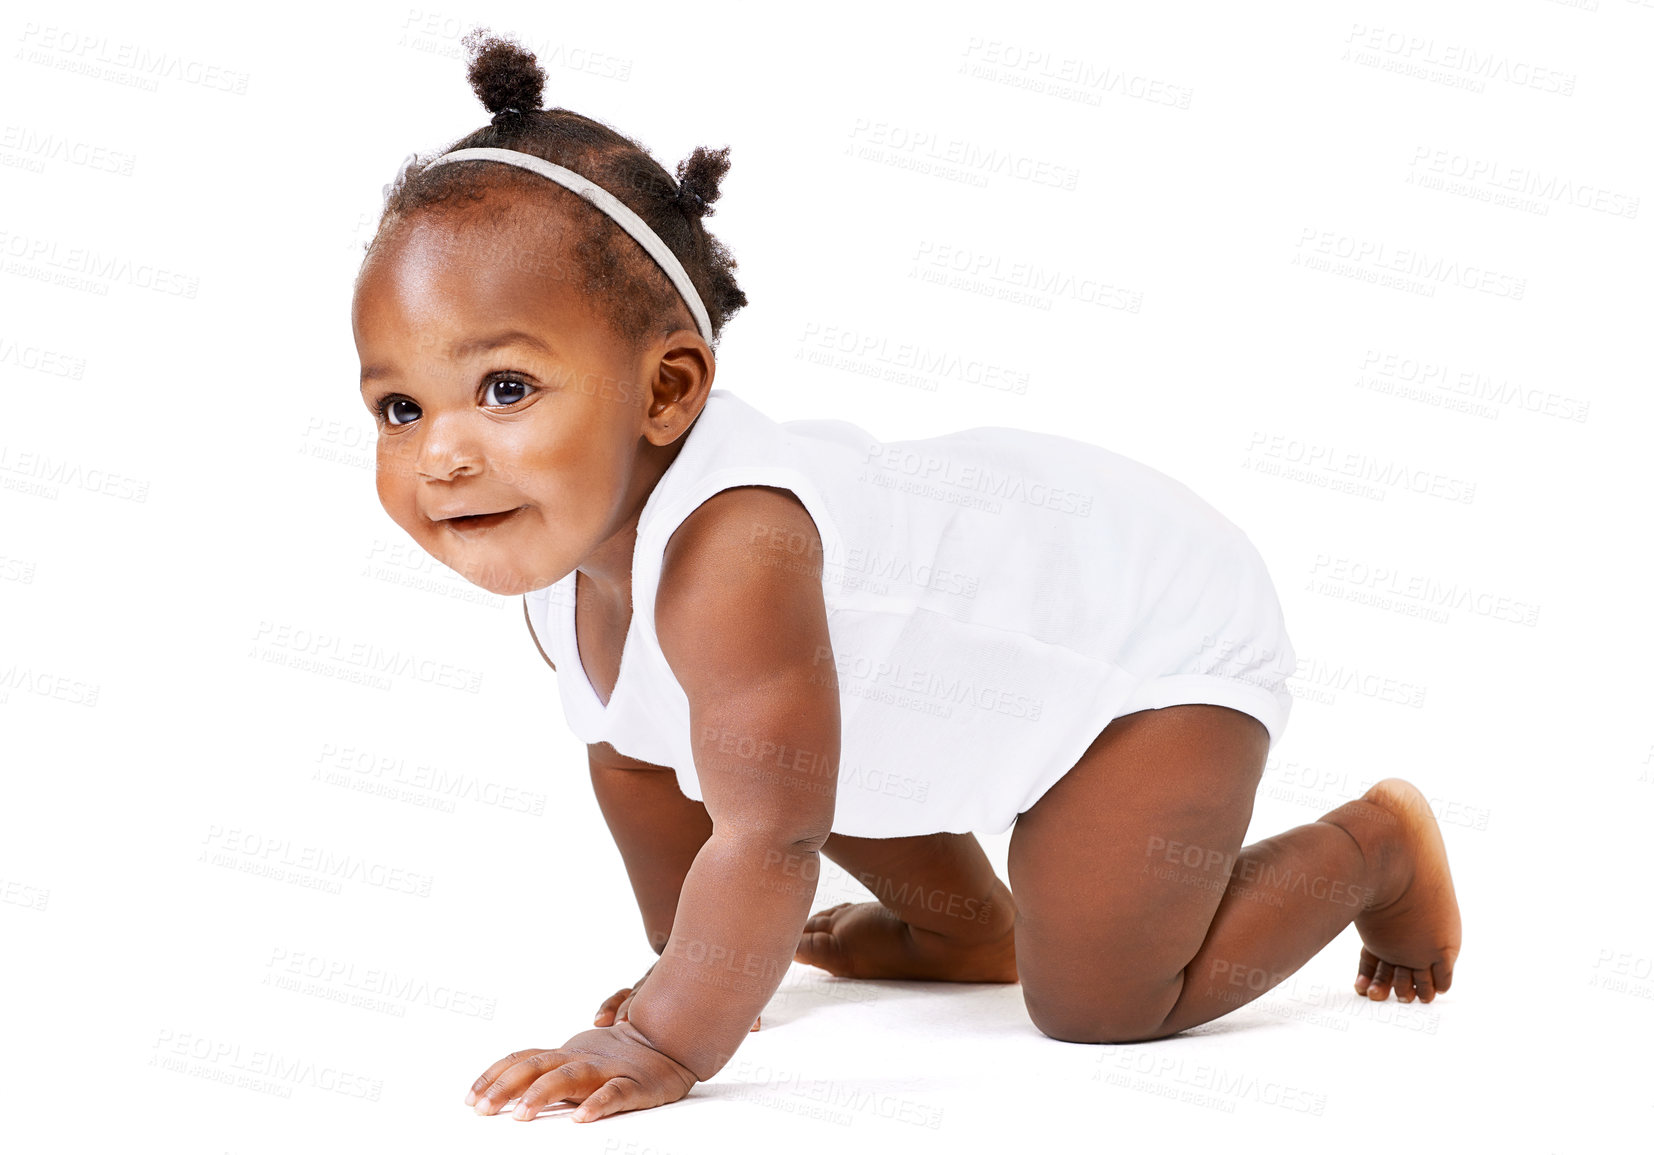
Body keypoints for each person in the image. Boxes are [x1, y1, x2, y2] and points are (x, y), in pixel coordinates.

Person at [349, 28, 1462, 1126]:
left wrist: (664, 1034)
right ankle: (966, 929)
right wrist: (689, 956)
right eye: (400, 408)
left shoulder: (732, 550)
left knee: (1101, 1001)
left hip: (1144, 648)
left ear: (668, 390)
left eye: (504, 389)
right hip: (948, 669)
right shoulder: (563, 550)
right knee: (733, 743)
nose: (441, 454)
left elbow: (768, 835)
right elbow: (638, 758)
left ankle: (1371, 851)